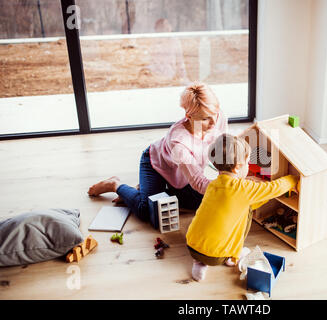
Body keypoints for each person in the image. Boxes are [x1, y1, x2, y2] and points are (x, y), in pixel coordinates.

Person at [88, 82, 228, 229]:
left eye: (215, 114)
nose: (214, 122)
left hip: (182, 175)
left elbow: (222, 150)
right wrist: (228, 188)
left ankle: (142, 191)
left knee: (203, 201)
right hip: (156, 165)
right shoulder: (178, 141)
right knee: (147, 211)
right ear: (189, 116)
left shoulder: (218, 117)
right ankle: (115, 184)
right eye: (205, 119)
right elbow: (199, 182)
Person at [186, 133, 299, 281]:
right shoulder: (243, 188)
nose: (248, 166)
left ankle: (199, 264)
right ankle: (232, 257)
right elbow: (273, 188)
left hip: (192, 245)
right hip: (217, 256)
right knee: (247, 213)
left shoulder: (213, 185)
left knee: (219, 219)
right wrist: (293, 179)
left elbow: (240, 201)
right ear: (238, 167)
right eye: (247, 163)